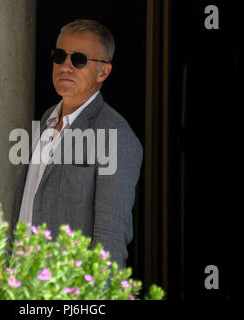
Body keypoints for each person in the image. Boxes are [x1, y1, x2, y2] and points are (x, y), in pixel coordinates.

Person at [11, 19, 143, 268]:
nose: (65, 66)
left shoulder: (115, 135)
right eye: (60, 56)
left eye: (79, 59)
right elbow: (26, 208)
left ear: (103, 72)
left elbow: (110, 239)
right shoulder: (47, 119)